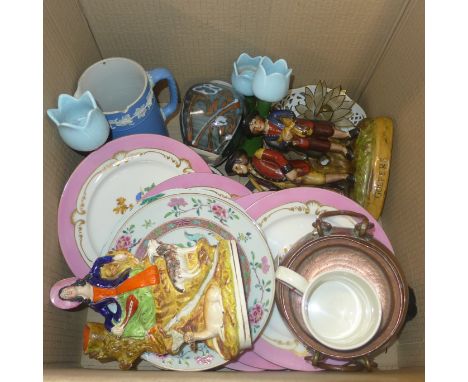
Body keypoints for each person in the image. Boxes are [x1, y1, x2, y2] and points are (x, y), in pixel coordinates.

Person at [245, 109, 358, 160]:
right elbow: (282, 148)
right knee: (323, 145)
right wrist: (287, 140)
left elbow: (290, 113)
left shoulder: (273, 116)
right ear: (254, 133)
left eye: (255, 122)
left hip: (303, 126)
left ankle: (346, 134)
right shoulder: (268, 139)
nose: (256, 126)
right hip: (300, 142)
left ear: (258, 117)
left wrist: (290, 122)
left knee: (326, 130)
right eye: (253, 128)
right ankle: (343, 149)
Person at [225, 148, 353, 189]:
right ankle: (336, 187)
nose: (238, 171)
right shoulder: (251, 176)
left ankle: (345, 176)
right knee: (311, 190)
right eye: (236, 171)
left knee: (319, 179)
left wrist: (288, 170)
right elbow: (261, 186)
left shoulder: (258, 154)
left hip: (295, 173)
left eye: (237, 167)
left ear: (241, 159)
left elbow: (276, 156)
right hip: (285, 185)